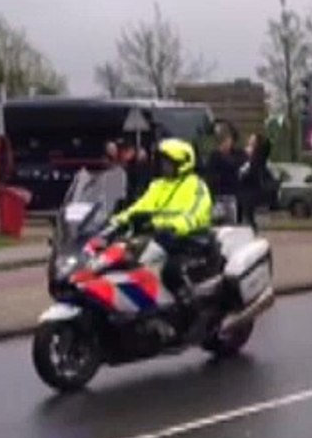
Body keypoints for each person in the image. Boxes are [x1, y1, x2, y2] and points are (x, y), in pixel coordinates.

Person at [103, 138, 214, 316]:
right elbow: (139, 207)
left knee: (171, 271)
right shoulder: (158, 186)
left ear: (182, 164)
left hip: (189, 240)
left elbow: (196, 213)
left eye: (168, 163)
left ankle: (189, 311)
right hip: (159, 238)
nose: (164, 167)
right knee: (126, 262)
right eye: (163, 162)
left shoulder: (195, 185)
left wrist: (172, 226)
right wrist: (115, 221)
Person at [205, 131, 244, 223]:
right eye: (226, 142)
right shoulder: (215, 156)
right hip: (218, 195)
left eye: (229, 141)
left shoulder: (236, 154)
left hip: (231, 194)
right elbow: (211, 175)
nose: (228, 144)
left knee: (231, 222)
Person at [237, 133, 273, 232]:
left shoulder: (257, 162)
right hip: (248, 200)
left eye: (252, 143)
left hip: (252, 199)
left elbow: (247, 176)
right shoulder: (245, 159)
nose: (248, 145)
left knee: (251, 225)